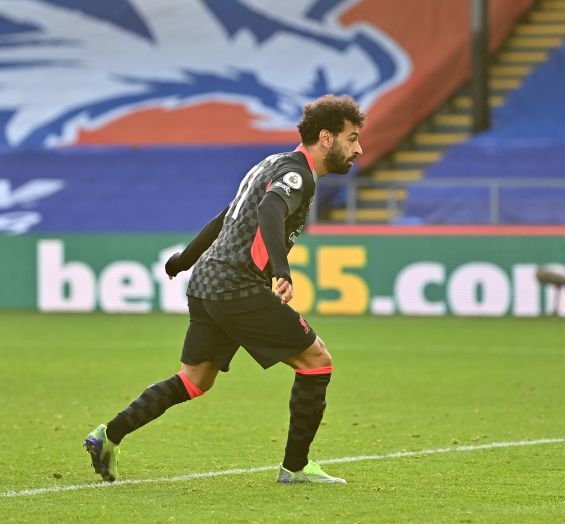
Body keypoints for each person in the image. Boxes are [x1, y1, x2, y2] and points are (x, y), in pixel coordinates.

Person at [84, 94, 365, 484]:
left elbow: (225, 217)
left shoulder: (270, 164)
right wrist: (280, 272)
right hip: (235, 284)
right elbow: (269, 210)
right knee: (317, 361)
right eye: (351, 138)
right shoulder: (296, 174)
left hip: (207, 281)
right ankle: (296, 467)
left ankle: (107, 435)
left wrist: (184, 260)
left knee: (194, 380)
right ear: (326, 137)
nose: (358, 148)